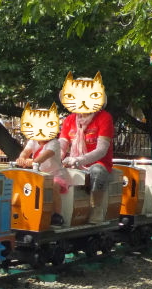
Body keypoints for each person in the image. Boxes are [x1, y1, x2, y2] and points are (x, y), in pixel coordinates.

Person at [59, 71, 114, 224]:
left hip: (98, 164)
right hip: (73, 162)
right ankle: (59, 211)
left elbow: (102, 150)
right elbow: (63, 144)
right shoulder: (69, 120)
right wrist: (56, 158)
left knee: (97, 171)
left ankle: (96, 208)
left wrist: (78, 160)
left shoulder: (104, 118)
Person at [15, 103, 69, 226]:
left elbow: (43, 157)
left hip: (54, 175)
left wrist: (31, 162)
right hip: (38, 175)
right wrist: (21, 158)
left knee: (54, 185)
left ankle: (57, 214)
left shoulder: (54, 143)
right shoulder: (33, 140)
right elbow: (25, 152)